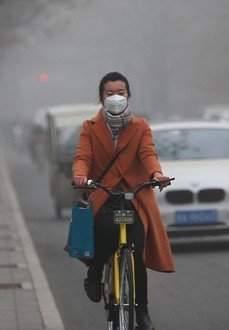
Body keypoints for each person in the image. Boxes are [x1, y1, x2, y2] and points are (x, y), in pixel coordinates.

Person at [71, 71, 174, 330]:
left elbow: (147, 153)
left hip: (135, 196)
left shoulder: (141, 126)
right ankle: (95, 270)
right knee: (106, 230)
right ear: (101, 97)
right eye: (110, 93)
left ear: (128, 96)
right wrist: (81, 176)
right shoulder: (89, 127)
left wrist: (156, 173)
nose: (116, 97)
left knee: (136, 254)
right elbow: (83, 156)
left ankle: (142, 313)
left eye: (121, 92)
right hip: (105, 194)